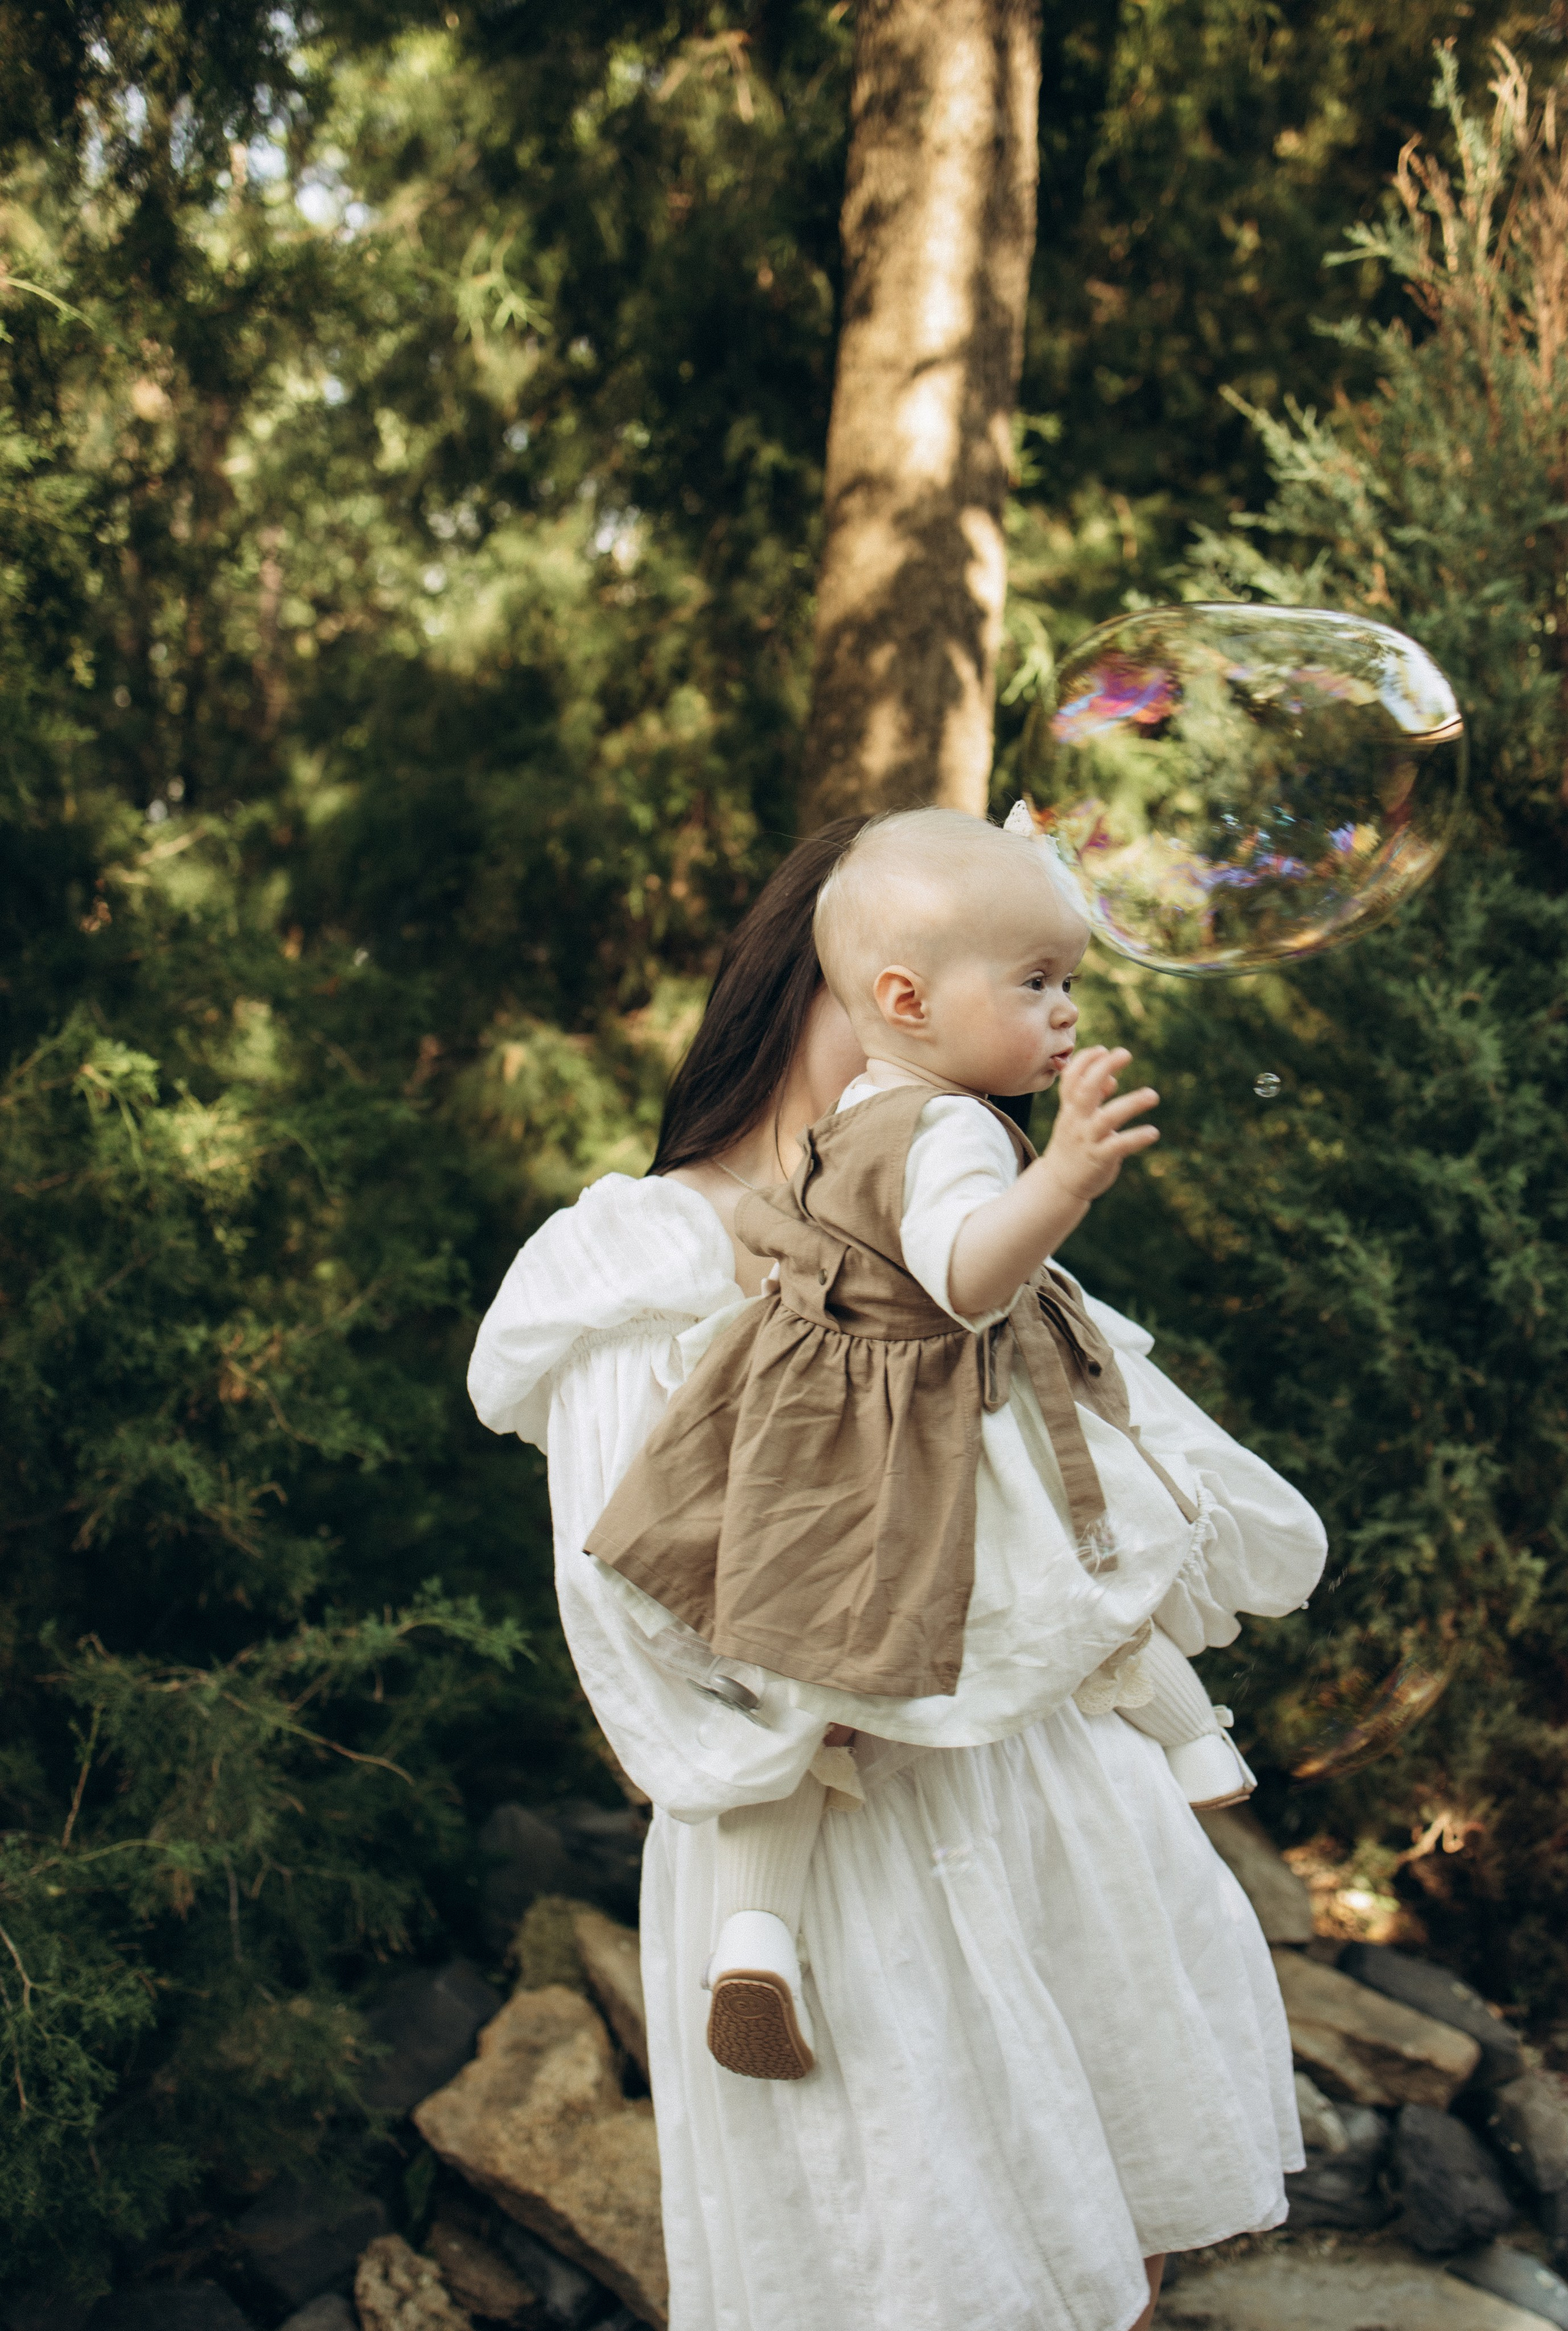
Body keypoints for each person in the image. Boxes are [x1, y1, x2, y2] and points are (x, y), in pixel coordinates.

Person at [469, 818, 1310, 2331]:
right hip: (831, 1844)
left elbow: (1171, 1511)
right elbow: (642, 1613)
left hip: (1048, 1792)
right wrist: (824, 1706)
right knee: (912, 2263)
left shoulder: (959, 1231)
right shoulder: (639, 1253)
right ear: (859, 982)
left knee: (1117, 2249)